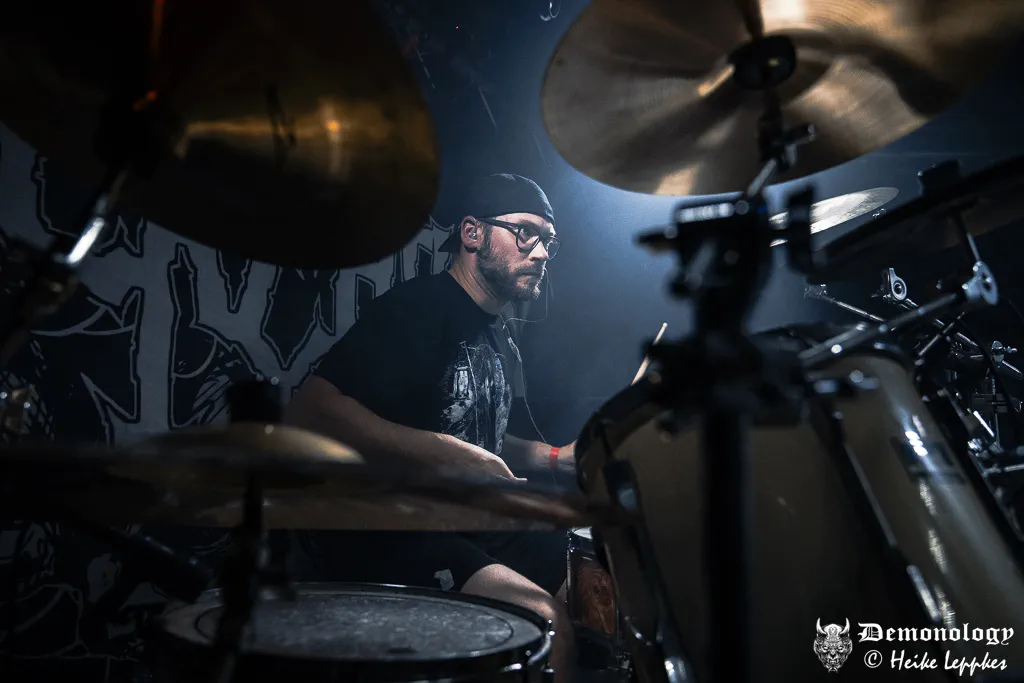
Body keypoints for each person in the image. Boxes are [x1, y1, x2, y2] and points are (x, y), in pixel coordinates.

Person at [285, 173, 578, 681]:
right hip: (397, 529)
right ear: (472, 233)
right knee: (547, 621)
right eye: (525, 233)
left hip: (469, 521)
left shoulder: (496, 332)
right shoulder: (418, 308)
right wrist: (446, 451)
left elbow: (476, 429)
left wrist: (554, 457)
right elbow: (310, 410)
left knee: (593, 575)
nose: (541, 253)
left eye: (548, 241)